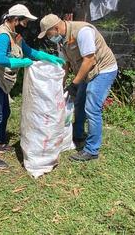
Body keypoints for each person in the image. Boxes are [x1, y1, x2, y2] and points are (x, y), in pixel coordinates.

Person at [0, 5, 65, 169]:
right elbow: (0, 60)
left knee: (6, 111)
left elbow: (30, 52)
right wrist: (22, 62)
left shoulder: (14, 36)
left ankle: (0, 143)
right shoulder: (3, 35)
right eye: (24, 21)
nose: (25, 25)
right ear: (15, 19)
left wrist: (50, 58)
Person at [38, 14, 118, 161]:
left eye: (48, 34)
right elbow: (65, 64)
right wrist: (60, 86)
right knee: (79, 102)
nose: (49, 38)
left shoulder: (82, 32)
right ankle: (78, 135)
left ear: (55, 28)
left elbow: (89, 59)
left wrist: (75, 83)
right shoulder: (62, 39)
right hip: (87, 72)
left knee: (92, 108)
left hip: (103, 70)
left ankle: (92, 150)